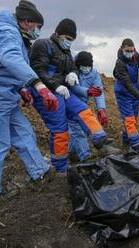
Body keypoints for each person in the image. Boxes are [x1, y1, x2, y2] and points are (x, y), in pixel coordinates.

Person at [30, 18, 108, 172]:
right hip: (45, 93)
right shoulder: (43, 45)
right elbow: (38, 70)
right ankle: (60, 168)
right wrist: (55, 86)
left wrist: (72, 74)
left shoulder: (66, 52)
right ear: (58, 34)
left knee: (83, 110)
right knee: (60, 130)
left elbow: (73, 68)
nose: (69, 42)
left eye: (72, 40)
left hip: (64, 91)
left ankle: (99, 138)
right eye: (67, 39)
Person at [0, 0, 58, 193]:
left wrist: (22, 90)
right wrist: (36, 84)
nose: (38, 31)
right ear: (26, 22)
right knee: (2, 143)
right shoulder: (8, 32)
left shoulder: (18, 35)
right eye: (37, 26)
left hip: (8, 96)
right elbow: (10, 59)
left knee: (24, 132)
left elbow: (7, 71)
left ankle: (39, 171)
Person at [113, 38, 139, 151]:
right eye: (128, 51)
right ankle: (135, 144)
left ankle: (126, 140)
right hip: (123, 92)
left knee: (134, 118)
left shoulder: (136, 56)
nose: (130, 53)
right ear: (122, 49)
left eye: (132, 50)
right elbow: (127, 83)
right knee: (129, 119)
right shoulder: (119, 63)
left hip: (135, 90)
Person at [69, 51, 108, 161]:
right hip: (71, 103)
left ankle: (75, 153)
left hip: (83, 105)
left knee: (84, 128)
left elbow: (98, 91)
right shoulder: (72, 72)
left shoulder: (93, 73)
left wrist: (101, 109)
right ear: (78, 65)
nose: (86, 68)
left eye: (88, 66)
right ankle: (84, 157)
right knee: (76, 130)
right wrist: (87, 91)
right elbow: (73, 87)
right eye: (83, 66)